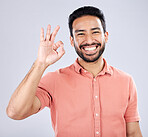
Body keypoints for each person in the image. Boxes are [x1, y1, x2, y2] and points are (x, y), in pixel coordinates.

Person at [6, 6, 142, 137]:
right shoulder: (54, 80)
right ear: (72, 41)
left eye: (95, 32)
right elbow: (15, 112)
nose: (89, 40)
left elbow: (133, 133)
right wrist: (40, 64)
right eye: (81, 34)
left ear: (105, 36)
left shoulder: (126, 81)